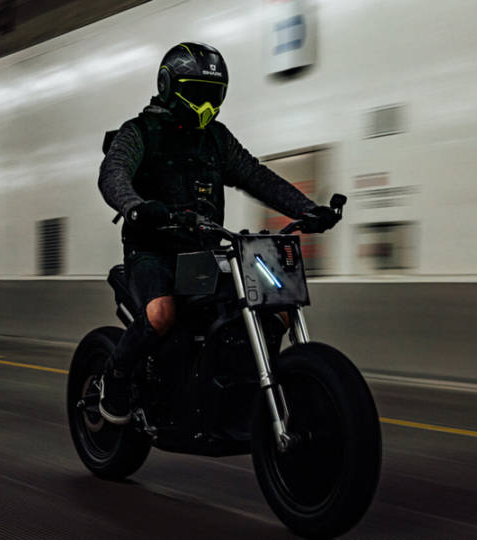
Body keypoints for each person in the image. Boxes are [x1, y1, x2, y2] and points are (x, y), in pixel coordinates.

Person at [97, 42, 340, 424]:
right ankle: (115, 375)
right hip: (152, 251)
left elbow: (256, 176)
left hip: (203, 252)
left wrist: (307, 209)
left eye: (214, 95)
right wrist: (136, 206)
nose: (207, 104)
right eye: (198, 93)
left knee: (274, 309)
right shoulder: (140, 131)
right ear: (167, 87)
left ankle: (241, 386)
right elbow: (113, 174)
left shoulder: (216, 138)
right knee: (161, 314)